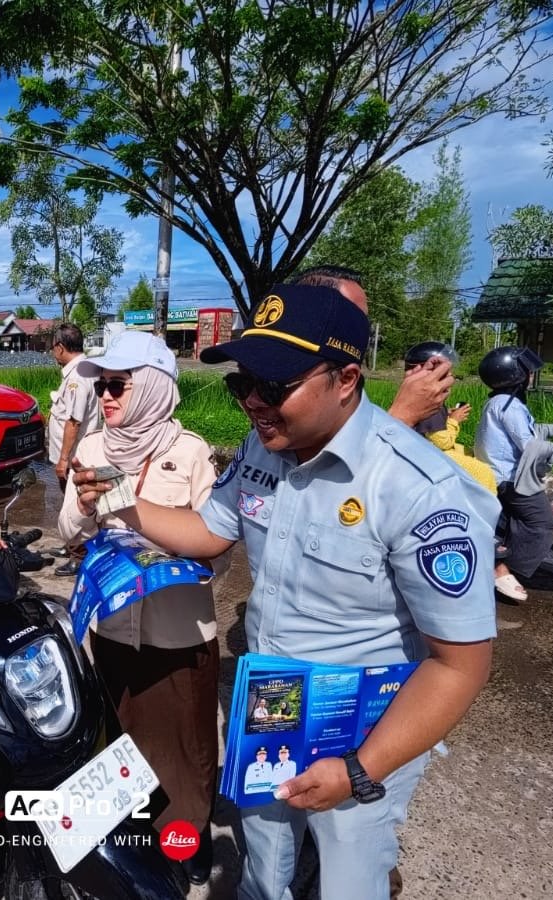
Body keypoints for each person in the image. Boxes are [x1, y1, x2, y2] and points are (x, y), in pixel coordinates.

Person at [76, 283, 498, 900]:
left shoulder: (420, 489)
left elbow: (461, 666)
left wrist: (360, 770)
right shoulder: (263, 447)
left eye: (273, 388)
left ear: (347, 377)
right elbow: (208, 530)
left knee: (348, 880)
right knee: (263, 869)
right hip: (272, 712)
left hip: (363, 730)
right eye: (240, 383)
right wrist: (118, 501)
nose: (252, 402)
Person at [57, 329, 222, 885]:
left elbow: (215, 544)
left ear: (152, 387)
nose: (105, 397)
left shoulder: (191, 452)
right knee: (119, 739)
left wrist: (134, 511)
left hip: (177, 633)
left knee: (185, 750)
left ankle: (185, 843)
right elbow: (67, 532)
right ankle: (135, 842)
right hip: (111, 628)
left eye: (118, 386)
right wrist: (82, 508)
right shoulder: (94, 449)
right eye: (102, 386)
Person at [475, 346, 553, 603]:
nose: (531, 376)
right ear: (516, 376)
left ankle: (504, 561)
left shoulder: (501, 402)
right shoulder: (509, 406)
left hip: (502, 473)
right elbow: (531, 446)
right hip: (509, 479)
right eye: (527, 372)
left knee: (530, 520)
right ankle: (504, 570)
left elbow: (528, 433)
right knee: (543, 524)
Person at [292, 267, 455, 430]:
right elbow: (333, 453)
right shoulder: (282, 386)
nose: (362, 331)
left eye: (364, 321)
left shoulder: (341, 377)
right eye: (352, 318)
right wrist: (403, 414)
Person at [402, 342, 497, 494]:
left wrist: (446, 417)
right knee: (483, 472)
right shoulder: (427, 399)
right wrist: (454, 421)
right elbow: (442, 442)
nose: (450, 376)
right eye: (445, 371)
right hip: (429, 454)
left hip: (424, 448)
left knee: (470, 452)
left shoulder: (418, 393)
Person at [46, 323, 101, 574]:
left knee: (77, 507)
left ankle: (79, 557)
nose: (52, 353)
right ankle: (71, 546)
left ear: (60, 347)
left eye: (52, 348)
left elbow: (74, 421)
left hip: (74, 457)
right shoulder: (84, 369)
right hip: (74, 454)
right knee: (71, 505)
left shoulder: (78, 376)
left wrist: (63, 459)